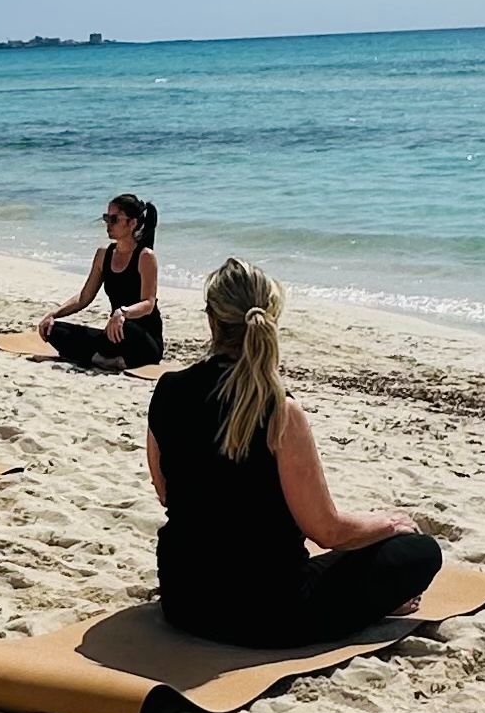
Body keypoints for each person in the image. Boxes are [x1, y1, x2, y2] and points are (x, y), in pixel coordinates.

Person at [146, 257, 441, 647]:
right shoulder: (281, 412)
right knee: (421, 551)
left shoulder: (168, 390)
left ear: (211, 319)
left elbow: (165, 492)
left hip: (184, 601)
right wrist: (389, 524)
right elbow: (326, 531)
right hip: (270, 615)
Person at [35, 193, 164, 370]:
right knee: (53, 330)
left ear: (132, 223)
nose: (108, 224)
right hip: (113, 333)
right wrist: (53, 314)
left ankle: (100, 357)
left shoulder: (145, 256)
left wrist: (123, 313)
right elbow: (84, 297)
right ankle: (107, 359)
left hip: (142, 336)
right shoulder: (103, 254)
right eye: (106, 218)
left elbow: (148, 303)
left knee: (126, 328)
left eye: (114, 219)